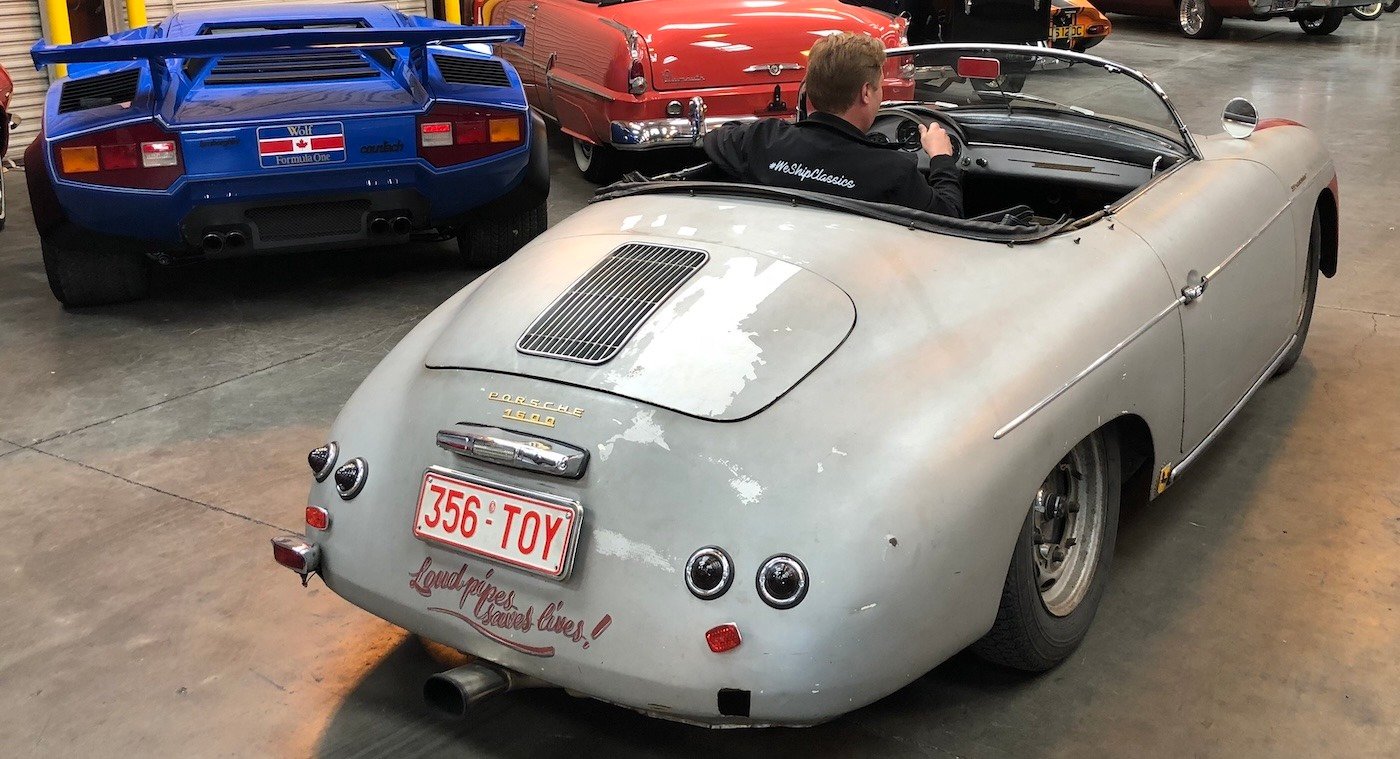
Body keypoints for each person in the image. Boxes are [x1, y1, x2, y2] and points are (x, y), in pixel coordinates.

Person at [702, 33, 963, 218]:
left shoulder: (763, 139)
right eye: (879, 87)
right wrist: (941, 158)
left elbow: (716, 138)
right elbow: (949, 216)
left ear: (810, 89)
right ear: (865, 93)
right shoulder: (893, 171)